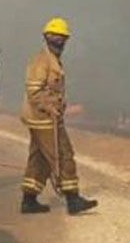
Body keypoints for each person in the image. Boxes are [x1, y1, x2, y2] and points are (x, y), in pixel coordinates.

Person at [19, 17, 98, 215]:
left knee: (40, 159)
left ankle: (29, 200)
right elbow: (34, 92)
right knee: (63, 154)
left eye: (63, 37)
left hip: (44, 118)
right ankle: (73, 199)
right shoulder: (41, 61)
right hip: (44, 119)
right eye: (55, 36)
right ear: (46, 37)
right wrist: (50, 107)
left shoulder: (52, 60)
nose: (60, 41)